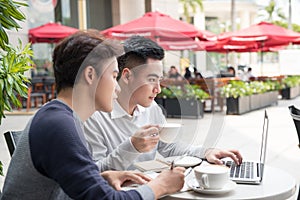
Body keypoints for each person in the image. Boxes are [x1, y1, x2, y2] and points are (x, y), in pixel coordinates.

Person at [0, 31, 185, 200]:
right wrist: (160, 186)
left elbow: (70, 179)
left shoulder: (61, 118)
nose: (118, 87)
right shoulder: (58, 125)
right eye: (114, 76)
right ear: (90, 74)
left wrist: (101, 177)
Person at [84, 36, 243, 172]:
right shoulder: (94, 117)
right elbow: (94, 173)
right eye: (152, 80)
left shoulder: (151, 109)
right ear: (126, 76)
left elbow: (168, 147)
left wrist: (206, 152)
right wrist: (131, 147)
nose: (158, 89)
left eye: (159, 80)